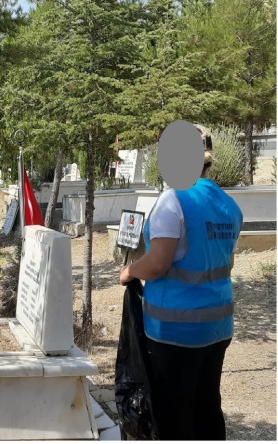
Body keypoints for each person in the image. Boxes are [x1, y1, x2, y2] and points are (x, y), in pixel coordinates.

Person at [119, 125, 242, 440]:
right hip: (217, 327)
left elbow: (158, 262)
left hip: (175, 331)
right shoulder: (228, 205)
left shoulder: (173, 200)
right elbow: (225, 263)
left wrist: (130, 271)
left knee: (174, 415)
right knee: (207, 407)